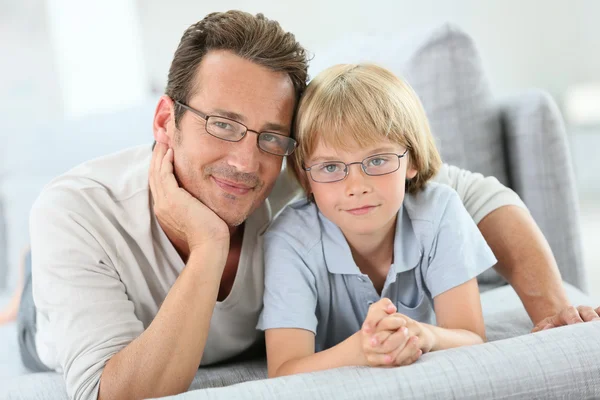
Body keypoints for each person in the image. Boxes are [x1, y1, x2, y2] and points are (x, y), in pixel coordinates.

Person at [17, 9, 599, 400]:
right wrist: (209, 246)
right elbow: (111, 391)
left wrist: (553, 313)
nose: (246, 163)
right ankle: (21, 286)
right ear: (167, 121)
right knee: (35, 289)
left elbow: (472, 194)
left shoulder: (305, 171)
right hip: (57, 314)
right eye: (222, 124)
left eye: (270, 135)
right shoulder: (75, 212)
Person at [258, 63, 496, 377]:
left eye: (377, 160)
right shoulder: (290, 240)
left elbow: (471, 337)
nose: (356, 187)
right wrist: (362, 349)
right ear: (306, 175)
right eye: (330, 167)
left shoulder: (439, 212)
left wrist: (425, 335)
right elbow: (284, 370)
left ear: (411, 160)